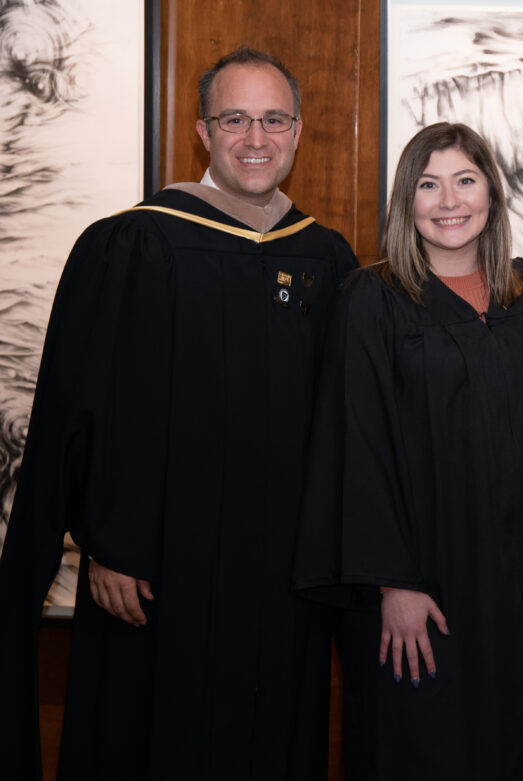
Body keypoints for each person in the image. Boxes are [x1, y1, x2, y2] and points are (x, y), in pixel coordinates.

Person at [0, 47, 358, 780]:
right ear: (202, 130)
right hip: (156, 575)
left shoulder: (326, 258)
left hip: (281, 579)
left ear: (297, 130)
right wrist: (110, 543)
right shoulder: (136, 243)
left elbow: (348, 426)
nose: (255, 139)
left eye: (272, 119)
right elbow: (88, 406)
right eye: (235, 119)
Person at [294, 122, 523, 780]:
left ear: (492, 196)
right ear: (406, 201)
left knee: (511, 737)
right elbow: (359, 441)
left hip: (512, 578)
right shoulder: (373, 298)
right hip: (421, 581)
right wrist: (394, 581)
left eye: (465, 181)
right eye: (428, 183)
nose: (449, 200)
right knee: (420, 741)